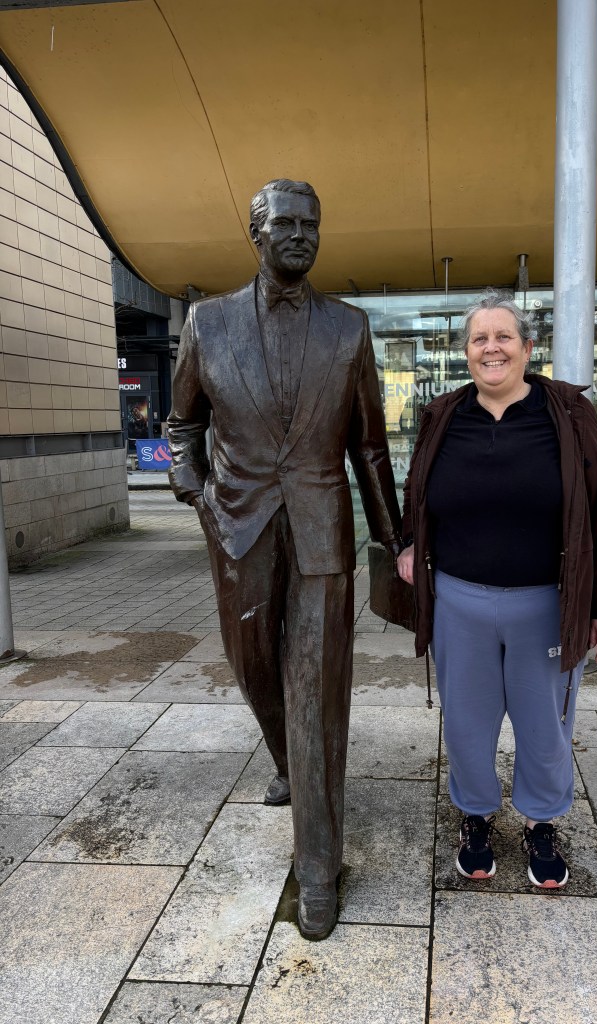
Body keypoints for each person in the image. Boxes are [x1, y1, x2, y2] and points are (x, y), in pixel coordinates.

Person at [167, 179, 401, 939]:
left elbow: (369, 445)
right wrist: (193, 488)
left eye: (312, 224)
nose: (300, 235)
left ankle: (318, 865)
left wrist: (394, 539)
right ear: (255, 232)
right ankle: (288, 764)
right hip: (236, 528)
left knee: (315, 686)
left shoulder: (349, 328)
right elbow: (181, 426)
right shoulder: (208, 321)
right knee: (255, 669)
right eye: (285, 224)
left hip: (320, 531)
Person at [397, 290, 597, 888]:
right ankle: (475, 815)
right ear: (467, 352)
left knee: (544, 725)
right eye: (480, 339)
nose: (492, 348)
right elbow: (417, 492)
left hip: (546, 604)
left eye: (504, 337)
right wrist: (407, 543)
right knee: (468, 724)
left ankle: (540, 821)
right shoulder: (443, 416)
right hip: (459, 600)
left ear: (528, 348)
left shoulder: (569, 416)